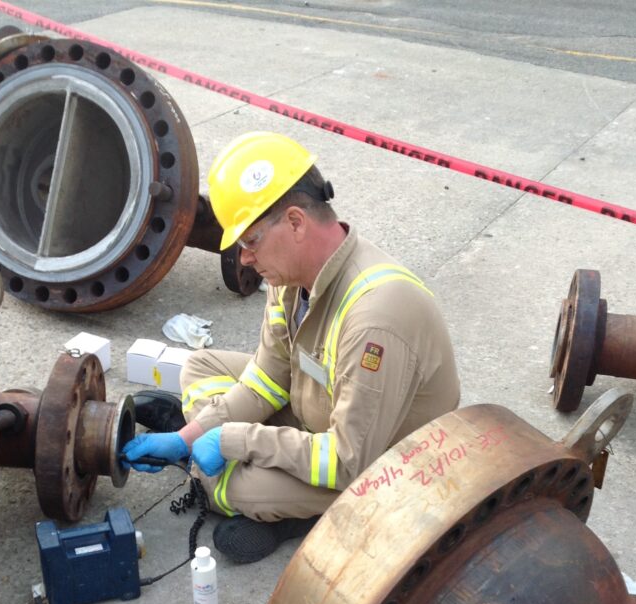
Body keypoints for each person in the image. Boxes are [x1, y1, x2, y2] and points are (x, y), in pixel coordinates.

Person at [123, 131, 460, 563]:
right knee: (199, 367)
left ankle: (286, 512)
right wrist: (188, 438)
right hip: (318, 409)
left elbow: (347, 461)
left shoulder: (377, 317)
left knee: (238, 488)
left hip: (380, 464)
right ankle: (216, 451)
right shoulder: (291, 281)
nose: (244, 259)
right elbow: (266, 378)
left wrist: (234, 439)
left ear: (296, 222)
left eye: (249, 241)